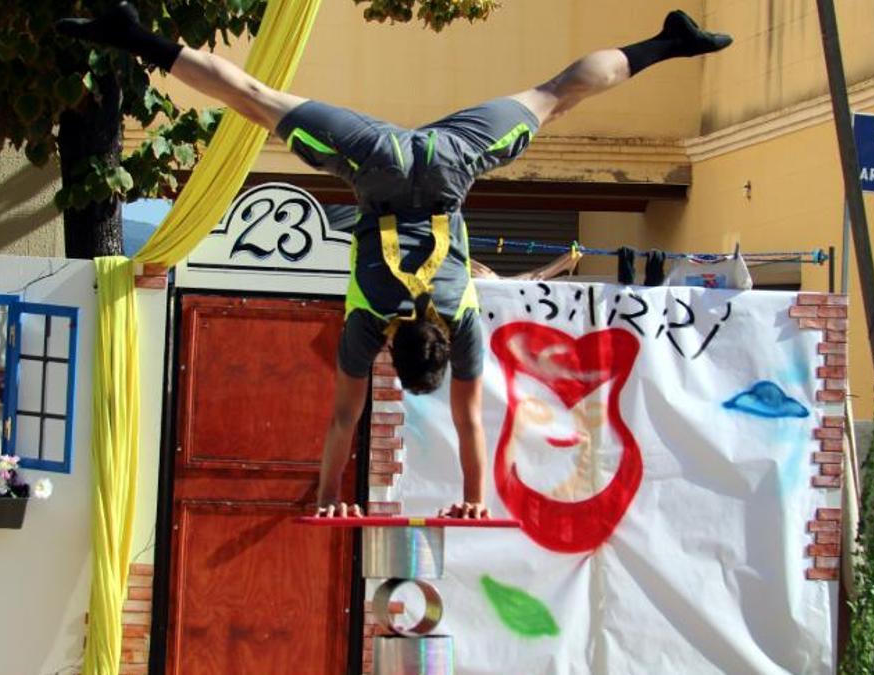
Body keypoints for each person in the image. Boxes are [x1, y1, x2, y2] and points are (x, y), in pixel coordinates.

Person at [58, 3, 731, 519]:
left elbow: (470, 421)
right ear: (392, 350)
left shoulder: (463, 318)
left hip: (448, 160)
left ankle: (667, 43)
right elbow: (342, 419)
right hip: (376, 161)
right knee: (257, 102)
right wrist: (328, 494)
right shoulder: (367, 320)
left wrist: (475, 497)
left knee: (552, 95)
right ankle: (133, 36)